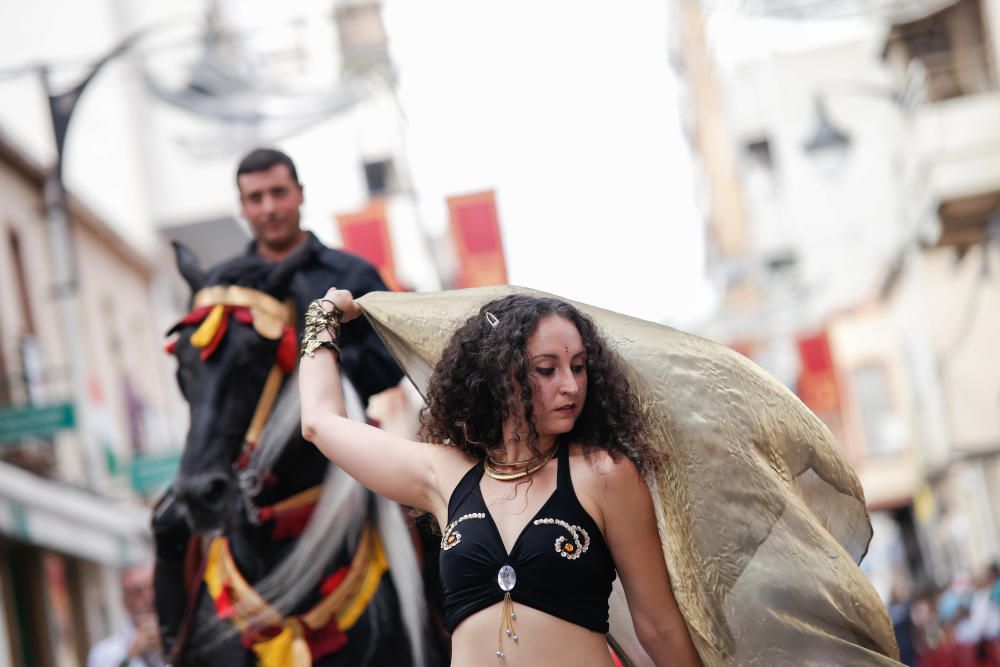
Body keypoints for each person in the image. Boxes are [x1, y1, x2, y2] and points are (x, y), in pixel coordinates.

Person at [299, 290, 703, 666]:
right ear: (498, 376)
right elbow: (319, 422)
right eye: (547, 369)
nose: (570, 385)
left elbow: (658, 627)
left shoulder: (604, 474)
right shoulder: (446, 476)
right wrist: (324, 315)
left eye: (579, 367)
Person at [153, 147, 405, 655]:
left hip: (346, 453)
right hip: (238, 458)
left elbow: (390, 359)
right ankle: (173, 645)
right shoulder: (220, 282)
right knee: (169, 522)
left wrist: (317, 377)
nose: (269, 207)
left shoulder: (351, 271)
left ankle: (445, 631)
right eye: (256, 198)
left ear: (300, 196)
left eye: (278, 193)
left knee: (422, 515)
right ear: (243, 206)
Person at [88, 563, 164, 667]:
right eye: (137, 592)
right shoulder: (104, 652)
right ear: (124, 601)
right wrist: (130, 655)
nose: (149, 597)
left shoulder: (180, 635)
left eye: (152, 588)